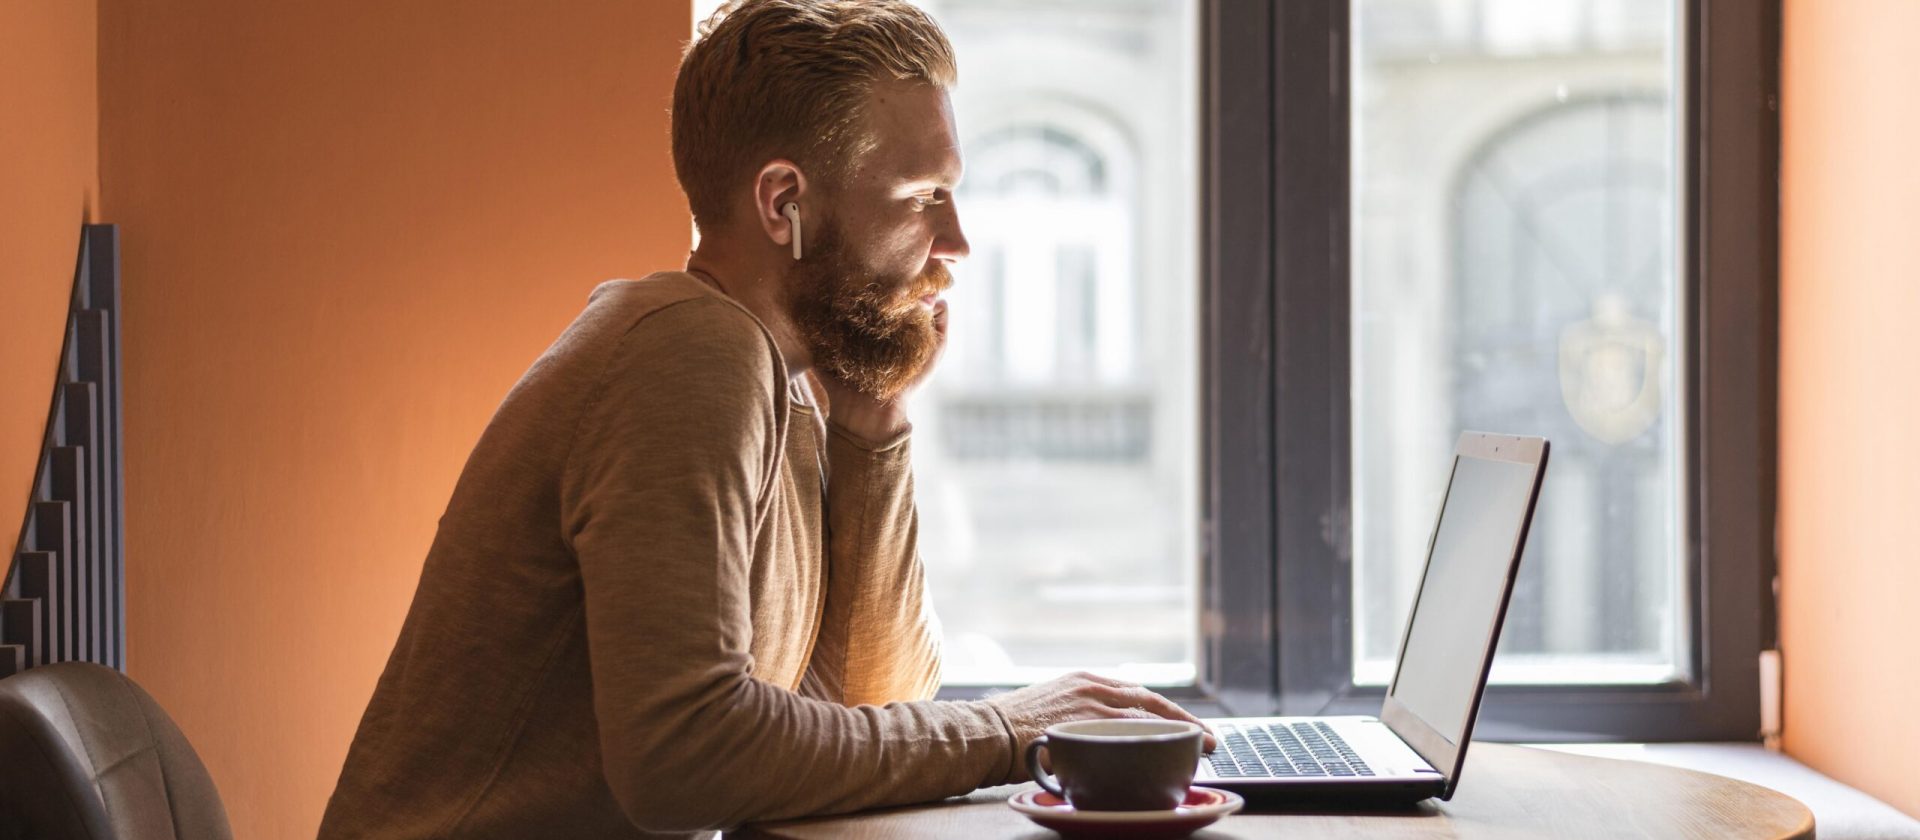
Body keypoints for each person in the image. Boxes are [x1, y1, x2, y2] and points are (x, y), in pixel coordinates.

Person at [318, 1, 1210, 837]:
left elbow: (868, 703)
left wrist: (871, 430)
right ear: (785, 203)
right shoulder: (687, 350)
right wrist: (1013, 728)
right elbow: (683, 756)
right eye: (920, 197)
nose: (956, 242)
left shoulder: (779, 386)